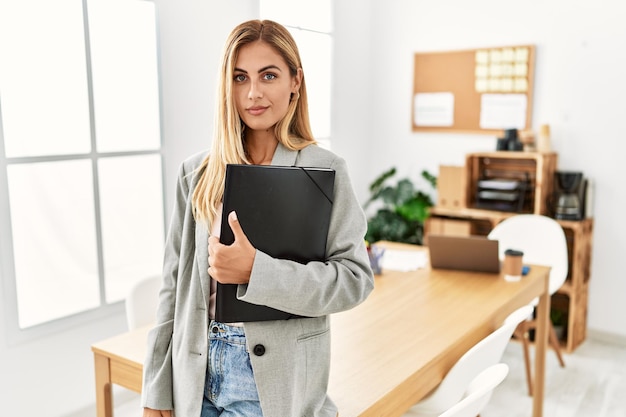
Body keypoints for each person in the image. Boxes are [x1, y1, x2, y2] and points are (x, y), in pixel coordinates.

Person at [141, 19, 374, 417]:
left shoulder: (325, 170)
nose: (252, 93)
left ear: (295, 81)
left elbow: (354, 281)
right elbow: (172, 287)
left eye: (268, 75)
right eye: (239, 77)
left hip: (269, 385)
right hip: (193, 376)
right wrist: (156, 388)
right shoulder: (197, 172)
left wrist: (256, 272)